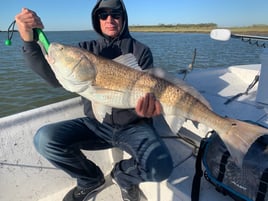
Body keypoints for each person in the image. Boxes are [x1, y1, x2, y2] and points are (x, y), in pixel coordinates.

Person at [15, 0, 173, 201]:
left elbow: (148, 91)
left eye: (115, 14)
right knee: (44, 139)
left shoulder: (140, 51)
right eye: (103, 15)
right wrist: (29, 41)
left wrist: (145, 109)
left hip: (134, 126)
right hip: (96, 124)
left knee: (160, 167)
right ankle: (90, 179)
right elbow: (53, 78)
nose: (110, 20)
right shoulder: (84, 49)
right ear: (96, 19)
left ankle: (123, 175)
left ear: (124, 18)